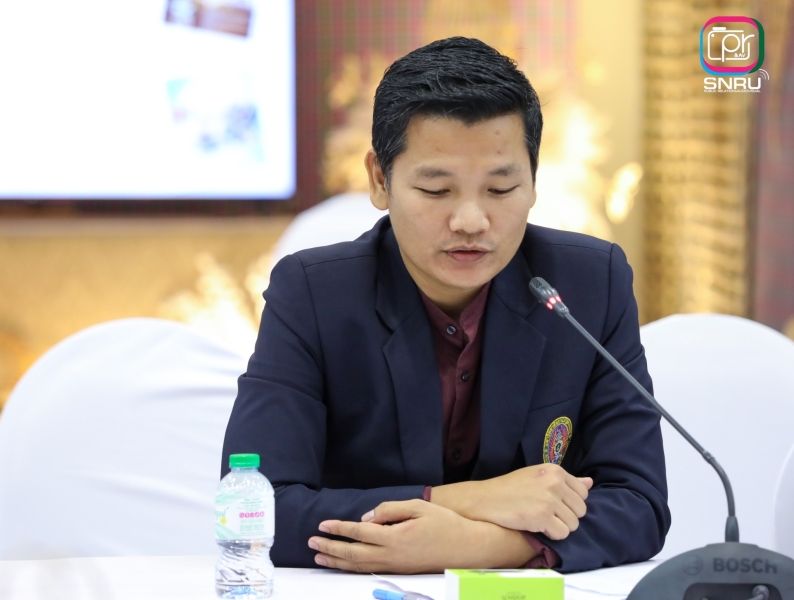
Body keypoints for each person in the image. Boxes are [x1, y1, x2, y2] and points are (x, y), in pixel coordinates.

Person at [222, 37, 670, 574]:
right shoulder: (312, 293)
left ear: (533, 180)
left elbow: (639, 504)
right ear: (380, 180)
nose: (471, 222)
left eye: (501, 189)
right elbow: (255, 508)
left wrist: (477, 545)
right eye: (437, 191)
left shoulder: (589, 283)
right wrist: (466, 500)